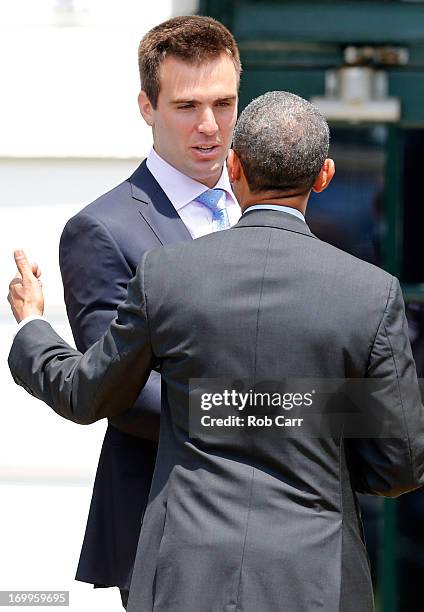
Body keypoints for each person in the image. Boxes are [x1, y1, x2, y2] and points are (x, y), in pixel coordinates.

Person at [8, 91, 424, 612]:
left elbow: (86, 394)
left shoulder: (167, 275)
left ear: (233, 167)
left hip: (186, 575)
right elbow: (401, 465)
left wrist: (31, 325)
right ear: (324, 176)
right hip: (316, 576)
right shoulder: (372, 292)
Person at [56, 15, 241, 608]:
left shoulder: (269, 205)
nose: (209, 127)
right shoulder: (100, 230)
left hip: (281, 525)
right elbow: (118, 390)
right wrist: (265, 414)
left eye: (223, 103)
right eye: (186, 106)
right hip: (167, 525)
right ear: (146, 105)